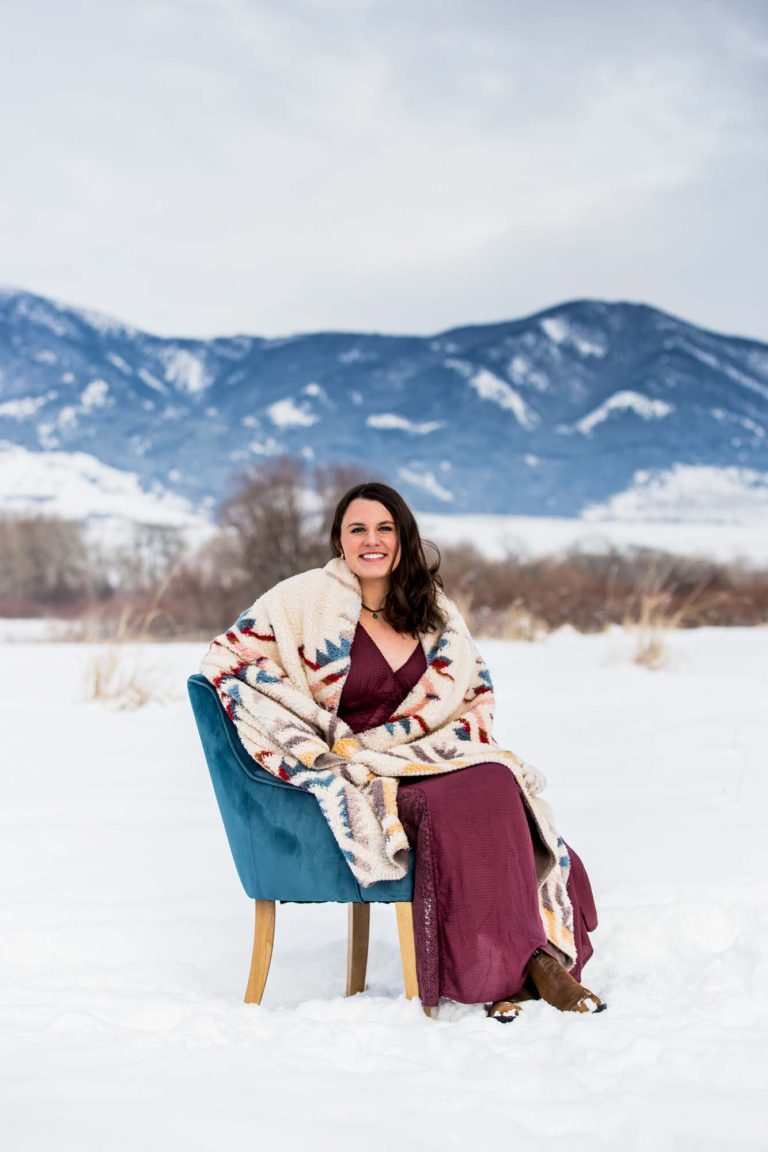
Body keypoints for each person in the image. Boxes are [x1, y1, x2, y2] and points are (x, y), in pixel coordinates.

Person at [201, 481, 604, 1020]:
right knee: (462, 801)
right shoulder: (300, 601)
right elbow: (225, 661)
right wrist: (310, 732)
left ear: (403, 537)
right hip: (367, 774)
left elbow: (473, 691)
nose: (372, 540)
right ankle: (516, 971)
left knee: (496, 779)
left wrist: (452, 745)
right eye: (358, 529)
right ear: (339, 541)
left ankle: (527, 967)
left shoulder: (432, 608)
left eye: (385, 528)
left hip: (433, 757)